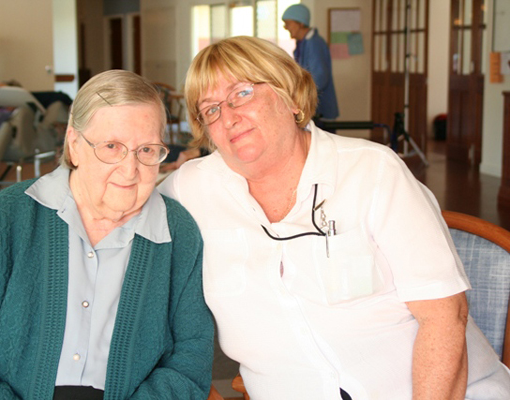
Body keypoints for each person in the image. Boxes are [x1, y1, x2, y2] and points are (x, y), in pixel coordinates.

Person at [158, 36, 510, 400]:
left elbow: (444, 318)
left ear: (291, 96)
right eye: (210, 109)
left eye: (242, 93)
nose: (228, 117)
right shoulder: (192, 190)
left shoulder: (373, 172)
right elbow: (124, 231)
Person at [0, 70, 215, 400]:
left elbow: (190, 364)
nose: (130, 169)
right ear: (75, 146)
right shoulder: (9, 216)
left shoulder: (178, 232)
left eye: (146, 150)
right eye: (111, 146)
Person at [282, 3, 339, 120]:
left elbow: (319, 79)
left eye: (288, 23)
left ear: (300, 23)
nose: (285, 27)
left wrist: (298, 96)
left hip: (320, 111)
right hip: (311, 109)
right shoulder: (302, 44)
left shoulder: (314, 43)